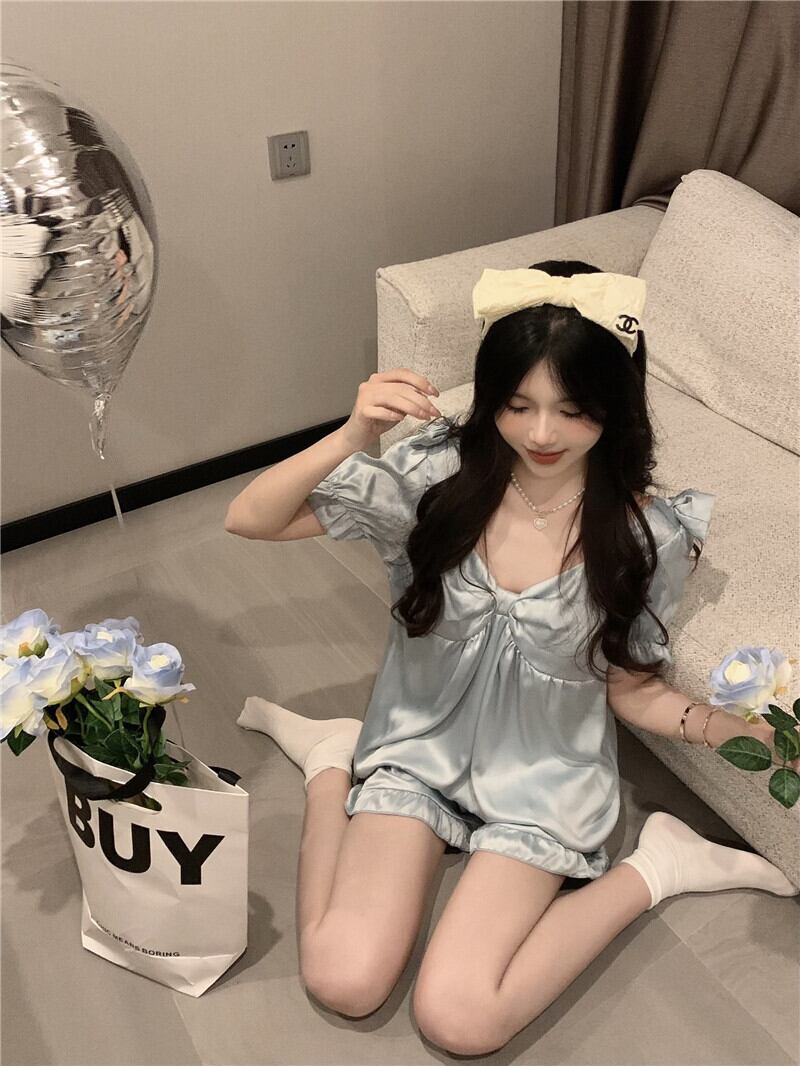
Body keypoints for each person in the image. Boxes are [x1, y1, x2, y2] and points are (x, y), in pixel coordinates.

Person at [226, 261, 798, 1053]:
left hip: (543, 781)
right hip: (417, 749)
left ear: (614, 407)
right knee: (343, 978)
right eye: (517, 405)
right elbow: (251, 518)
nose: (541, 435)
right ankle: (333, 766)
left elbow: (631, 689)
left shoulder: (645, 534)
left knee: (461, 1018)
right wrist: (354, 433)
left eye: (574, 410)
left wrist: (741, 731)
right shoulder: (439, 476)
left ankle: (659, 867)